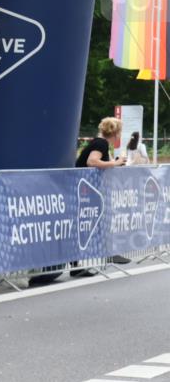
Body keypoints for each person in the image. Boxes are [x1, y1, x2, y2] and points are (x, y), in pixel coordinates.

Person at [70, 117, 129, 276]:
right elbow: (92, 161)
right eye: (119, 133)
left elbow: (105, 163)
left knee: (87, 225)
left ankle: (99, 256)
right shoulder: (100, 144)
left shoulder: (101, 143)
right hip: (83, 190)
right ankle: (78, 265)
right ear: (115, 133)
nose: (120, 136)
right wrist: (115, 163)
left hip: (85, 190)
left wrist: (116, 162)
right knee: (84, 225)